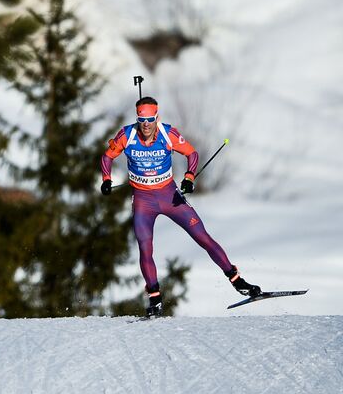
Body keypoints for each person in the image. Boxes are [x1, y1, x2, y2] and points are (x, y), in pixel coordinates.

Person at [100, 96, 261, 316]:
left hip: (169, 197)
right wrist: (106, 179)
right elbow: (107, 157)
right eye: (141, 119)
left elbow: (192, 153)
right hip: (143, 201)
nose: (146, 124)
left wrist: (189, 177)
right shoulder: (126, 135)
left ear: (156, 117)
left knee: (202, 237)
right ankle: (155, 299)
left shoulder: (168, 134)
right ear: (137, 118)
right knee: (145, 248)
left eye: (150, 119)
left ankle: (237, 281)